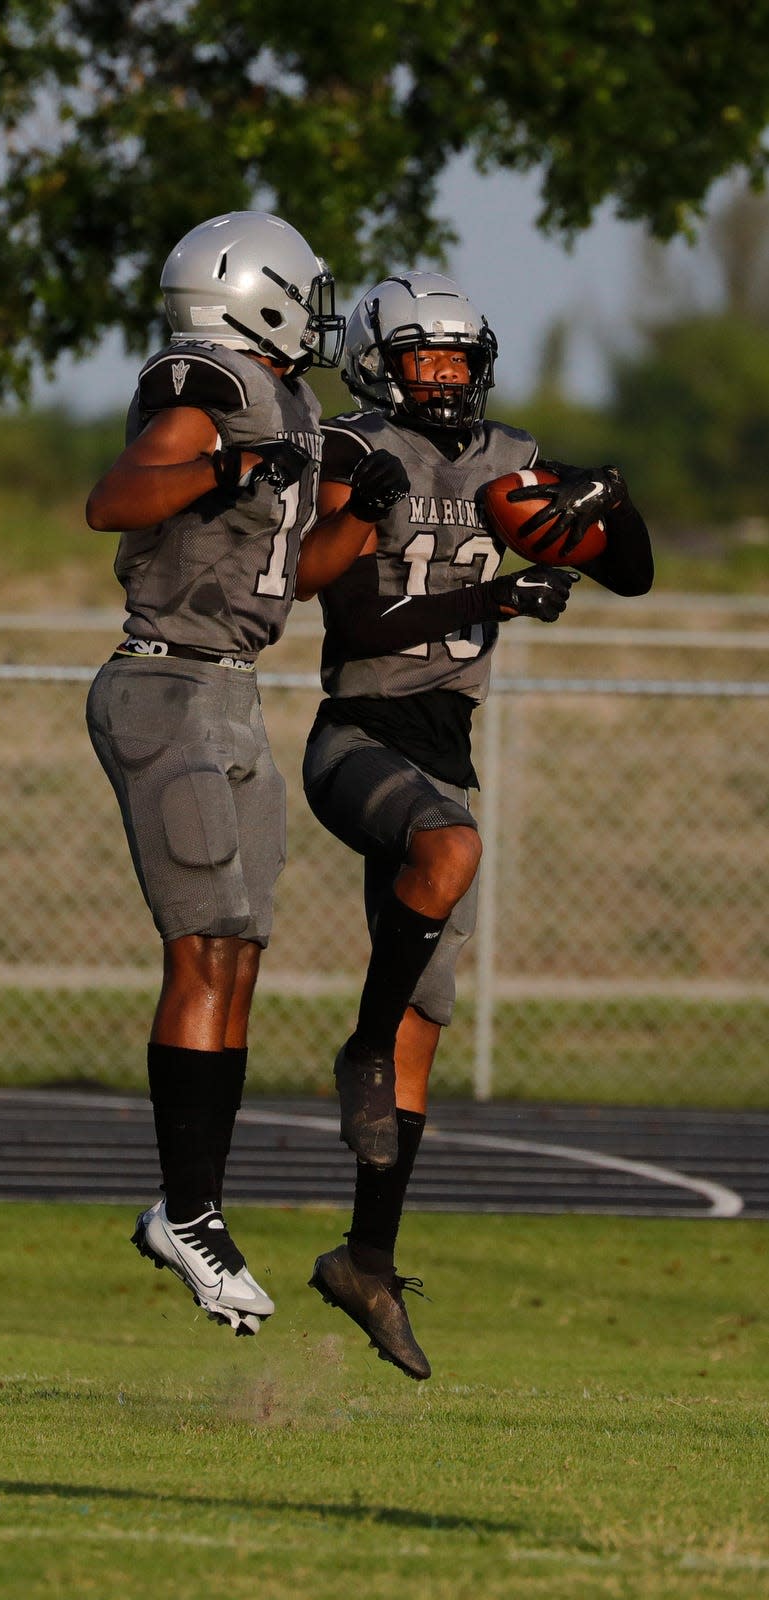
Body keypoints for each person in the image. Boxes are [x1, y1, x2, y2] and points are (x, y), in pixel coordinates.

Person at [298, 271, 654, 1378]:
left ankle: (364, 1257)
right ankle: (353, 1049)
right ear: (378, 361)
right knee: (447, 852)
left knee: (423, 1030)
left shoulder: (508, 454)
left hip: (447, 753)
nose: (445, 377)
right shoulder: (356, 451)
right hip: (358, 734)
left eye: (458, 359)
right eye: (425, 359)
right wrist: (493, 597)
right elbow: (354, 612)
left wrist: (604, 503)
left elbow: (632, 578)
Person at [84, 210, 393, 1340]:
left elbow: (287, 574)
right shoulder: (202, 382)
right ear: (249, 292)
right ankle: (190, 1211)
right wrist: (219, 455)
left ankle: (188, 1206)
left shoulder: (290, 403)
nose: (314, 313)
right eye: (300, 291)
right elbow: (114, 498)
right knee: (202, 941)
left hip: (232, 687)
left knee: (238, 950)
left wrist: (364, 518)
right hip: (164, 685)